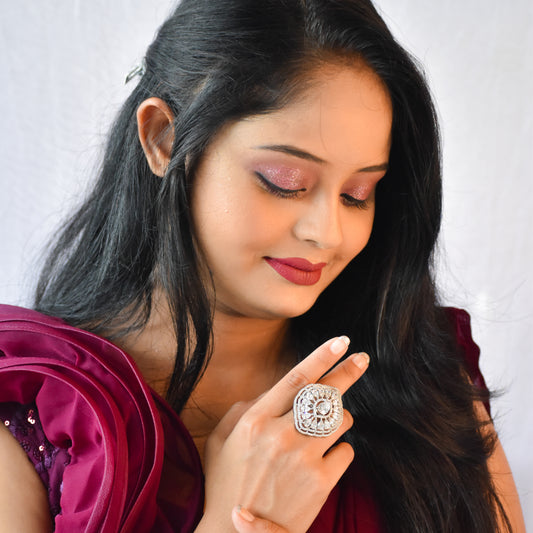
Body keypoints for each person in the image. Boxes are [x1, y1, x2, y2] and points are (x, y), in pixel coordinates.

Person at [0, 0, 526, 531]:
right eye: (284, 182)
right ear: (163, 138)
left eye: (358, 194)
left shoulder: (423, 382)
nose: (327, 233)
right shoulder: (34, 409)